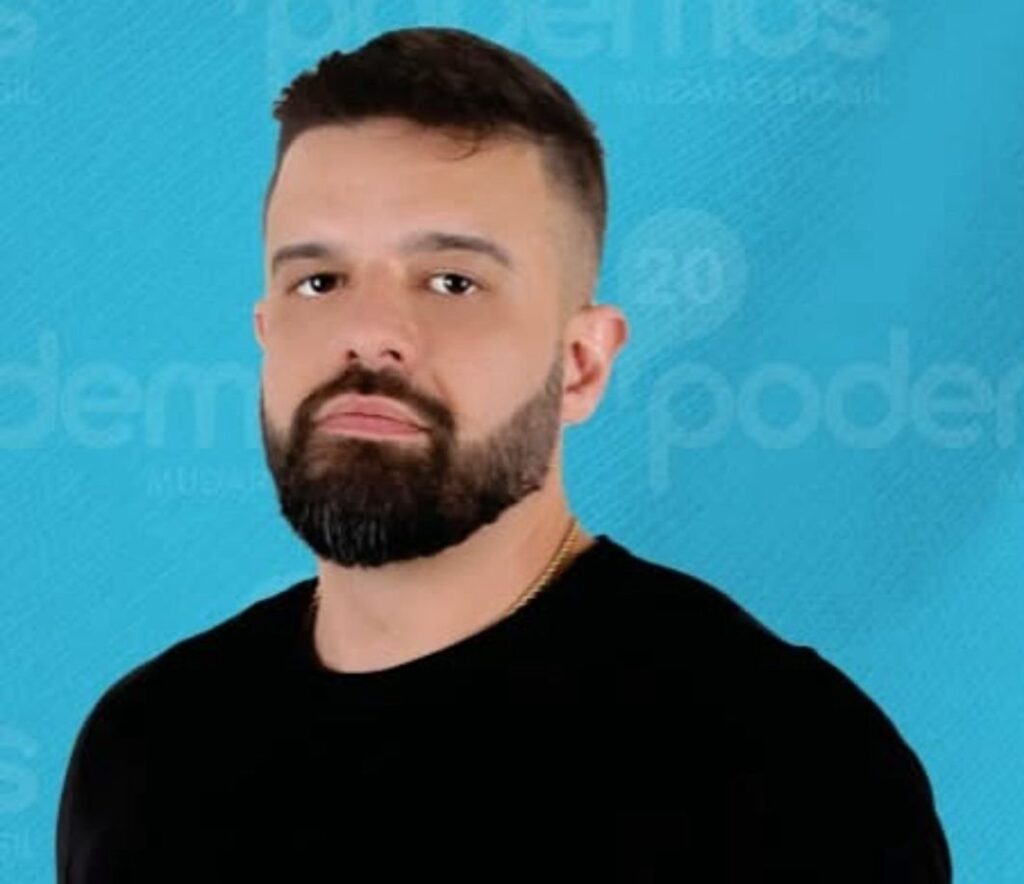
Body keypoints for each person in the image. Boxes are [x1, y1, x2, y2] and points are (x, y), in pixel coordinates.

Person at [55, 26, 952, 883]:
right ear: (264, 332)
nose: (369, 332)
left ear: (581, 363)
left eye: (453, 281)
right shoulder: (146, 749)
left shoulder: (788, 767)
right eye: (318, 280)